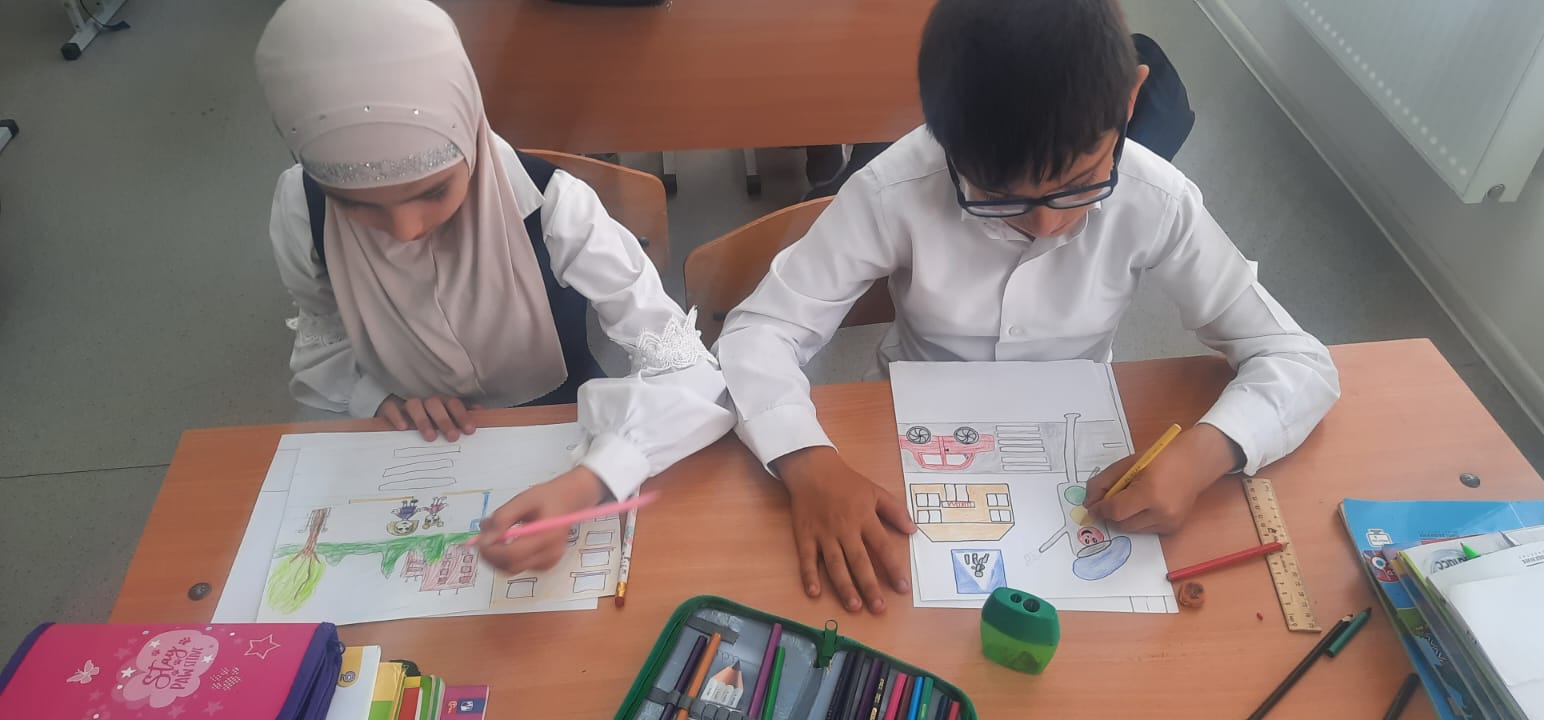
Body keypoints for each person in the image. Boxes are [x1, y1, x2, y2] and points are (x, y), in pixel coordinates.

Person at [715, 0, 1339, 614]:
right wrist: (808, 461)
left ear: (1129, 101)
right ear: (942, 135)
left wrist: (1206, 454)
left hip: (1079, 453)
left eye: (1082, 182)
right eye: (997, 196)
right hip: (907, 446)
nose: (1045, 224)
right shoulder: (894, 189)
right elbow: (757, 333)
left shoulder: (1156, 198)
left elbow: (1297, 362)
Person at [256, 0, 733, 574]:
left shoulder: (553, 206)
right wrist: (378, 396)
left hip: (563, 431)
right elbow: (324, 336)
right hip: (421, 448)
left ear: (470, 132)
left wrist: (598, 475)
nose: (405, 231)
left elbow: (689, 368)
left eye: (433, 192)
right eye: (356, 206)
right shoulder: (303, 207)